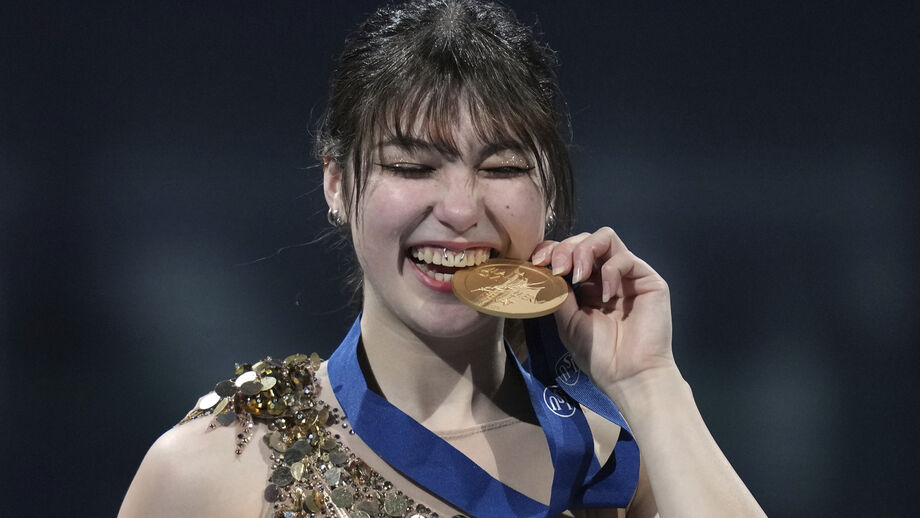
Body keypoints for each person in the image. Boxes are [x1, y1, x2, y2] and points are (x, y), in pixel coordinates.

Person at [119, 1, 767, 517]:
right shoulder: (218, 469)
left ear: (551, 196)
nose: (459, 209)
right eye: (411, 166)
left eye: (503, 167)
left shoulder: (613, 474)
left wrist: (652, 384)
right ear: (336, 184)